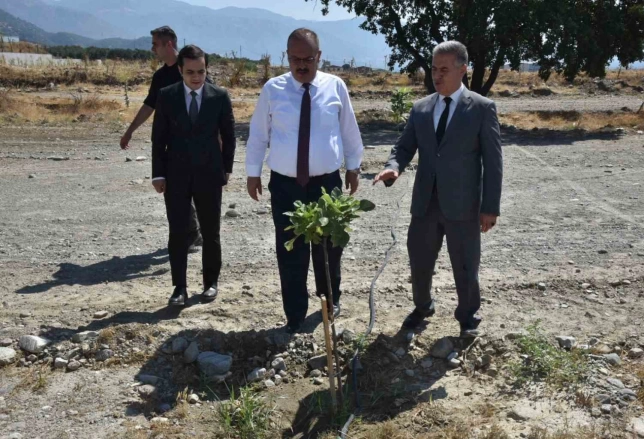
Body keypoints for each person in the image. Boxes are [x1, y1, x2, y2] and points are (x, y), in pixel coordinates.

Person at [374, 41, 503, 338]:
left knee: (465, 265)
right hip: (425, 204)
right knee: (419, 261)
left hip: (463, 205)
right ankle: (422, 307)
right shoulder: (421, 108)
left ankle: (467, 316)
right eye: (434, 69)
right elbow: (403, 147)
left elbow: (493, 162)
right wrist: (393, 167)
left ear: (463, 69)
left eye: (444, 69)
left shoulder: (481, 108)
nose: (437, 75)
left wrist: (490, 207)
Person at [245, 28, 364, 333]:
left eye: (307, 59)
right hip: (286, 185)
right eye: (295, 59)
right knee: (291, 251)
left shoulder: (335, 87)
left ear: (319, 56)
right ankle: (295, 314)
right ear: (287, 57)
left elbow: (349, 131)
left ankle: (329, 302)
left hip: (327, 185)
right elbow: (258, 134)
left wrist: (353, 168)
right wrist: (253, 172)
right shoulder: (273, 89)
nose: (301, 65)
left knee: (328, 248)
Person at [151, 45, 236, 306]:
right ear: (180, 70)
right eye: (190, 72)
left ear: (206, 69)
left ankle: (211, 283)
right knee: (178, 232)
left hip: (209, 174)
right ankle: (179, 288)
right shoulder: (167, 95)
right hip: (175, 175)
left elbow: (229, 135)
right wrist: (158, 174)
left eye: (201, 71)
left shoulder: (219, 96)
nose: (196, 77)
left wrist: (226, 169)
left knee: (211, 232)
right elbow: (158, 138)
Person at [120, 26, 203, 253]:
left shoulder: (191, 69)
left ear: (169, 44)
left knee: (187, 190)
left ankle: (192, 235)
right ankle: (190, 235)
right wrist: (130, 130)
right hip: (170, 144)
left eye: (155, 44)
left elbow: (210, 101)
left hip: (195, 143)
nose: (152, 49)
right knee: (174, 190)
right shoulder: (160, 77)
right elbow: (149, 106)